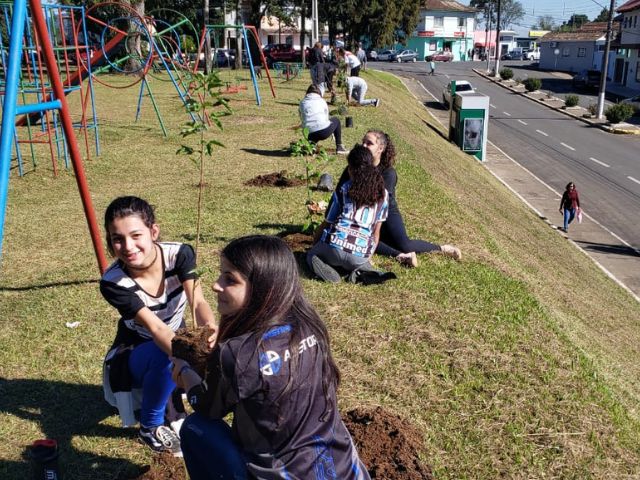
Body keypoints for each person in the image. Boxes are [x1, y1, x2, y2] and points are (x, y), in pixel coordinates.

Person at [171, 235, 371, 479]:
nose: (216, 285)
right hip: (346, 469)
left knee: (196, 428)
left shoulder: (237, 354)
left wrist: (186, 375)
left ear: (262, 289)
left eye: (229, 279)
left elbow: (208, 408)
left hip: (284, 474)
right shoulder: (310, 326)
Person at [100, 196, 216, 456]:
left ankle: (173, 392)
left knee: (182, 354)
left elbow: (198, 301)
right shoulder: (113, 282)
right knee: (166, 356)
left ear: (154, 231)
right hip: (137, 348)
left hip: (177, 334)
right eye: (117, 239)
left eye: (136, 235)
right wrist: (191, 362)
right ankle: (149, 426)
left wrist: (210, 328)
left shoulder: (180, 254)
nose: (128, 246)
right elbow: (156, 329)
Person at [335, 130, 461, 267]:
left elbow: (380, 203)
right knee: (359, 236)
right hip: (360, 211)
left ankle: (441, 248)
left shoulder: (388, 173)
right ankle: (400, 256)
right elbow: (338, 192)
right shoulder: (353, 167)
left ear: (380, 149)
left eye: (369, 143)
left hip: (386, 212)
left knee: (405, 244)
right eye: (363, 142)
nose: (364, 146)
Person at [307, 145, 389, 283]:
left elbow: (328, 222)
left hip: (334, 247)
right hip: (359, 254)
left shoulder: (344, 188)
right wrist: (367, 256)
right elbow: (376, 233)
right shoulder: (383, 194)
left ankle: (333, 277)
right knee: (359, 261)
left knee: (311, 256)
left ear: (350, 169)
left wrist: (314, 246)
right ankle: (359, 270)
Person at [299, 84, 347, 154]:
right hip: (323, 132)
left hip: (308, 134)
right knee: (336, 120)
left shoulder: (302, 102)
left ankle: (311, 146)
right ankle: (339, 147)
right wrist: (331, 130)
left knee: (312, 128)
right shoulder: (322, 101)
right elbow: (326, 118)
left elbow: (302, 118)